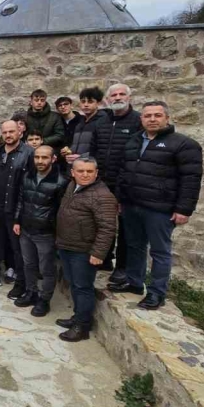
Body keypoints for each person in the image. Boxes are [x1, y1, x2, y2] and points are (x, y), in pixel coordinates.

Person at [115, 101, 203, 310]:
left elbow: (191, 179)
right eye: (148, 116)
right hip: (132, 204)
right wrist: (120, 199)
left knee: (160, 251)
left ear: (167, 118)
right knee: (134, 246)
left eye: (157, 115)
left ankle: (157, 293)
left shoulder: (183, 144)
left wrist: (183, 209)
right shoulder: (134, 141)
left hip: (160, 209)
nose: (152, 119)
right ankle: (135, 283)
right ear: (141, 119)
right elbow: (123, 172)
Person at [55, 157, 117, 342]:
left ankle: (82, 327)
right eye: (80, 171)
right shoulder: (72, 186)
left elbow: (107, 228)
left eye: (89, 171)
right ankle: (77, 317)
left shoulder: (102, 196)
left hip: (83, 250)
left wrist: (98, 253)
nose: (85, 174)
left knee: (83, 287)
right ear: (73, 172)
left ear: (96, 173)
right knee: (74, 284)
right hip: (67, 245)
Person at [90, 83, 142, 282]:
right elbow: (94, 150)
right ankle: (103, 258)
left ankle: (122, 267)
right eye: (113, 95)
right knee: (102, 222)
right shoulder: (101, 121)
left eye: (122, 94)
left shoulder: (137, 121)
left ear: (129, 97)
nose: (117, 98)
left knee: (125, 227)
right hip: (103, 182)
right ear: (107, 99)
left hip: (126, 183)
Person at [12, 145, 68, 316]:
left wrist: (56, 233)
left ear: (53, 159)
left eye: (44, 158)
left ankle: (44, 300)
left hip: (45, 233)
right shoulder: (27, 175)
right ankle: (31, 292)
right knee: (28, 264)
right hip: (26, 229)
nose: (40, 161)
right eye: (37, 157)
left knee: (46, 269)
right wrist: (17, 220)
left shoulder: (61, 182)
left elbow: (62, 211)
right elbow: (20, 199)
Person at [0, 119, 33, 292]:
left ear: (19, 132)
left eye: (11, 131)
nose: (8, 135)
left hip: (15, 209)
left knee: (17, 249)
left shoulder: (28, 153)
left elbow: (29, 186)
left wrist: (20, 214)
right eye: (5, 132)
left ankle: (22, 284)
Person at [67, 87, 106, 162]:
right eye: (83, 101)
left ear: (98, 103)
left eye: (90, 102)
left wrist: (82, 157)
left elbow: (103, 149)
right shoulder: (79, 124)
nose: (86, 105)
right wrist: (69, 152)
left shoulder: (103, 122)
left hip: (91, 167)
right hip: (77, 167)